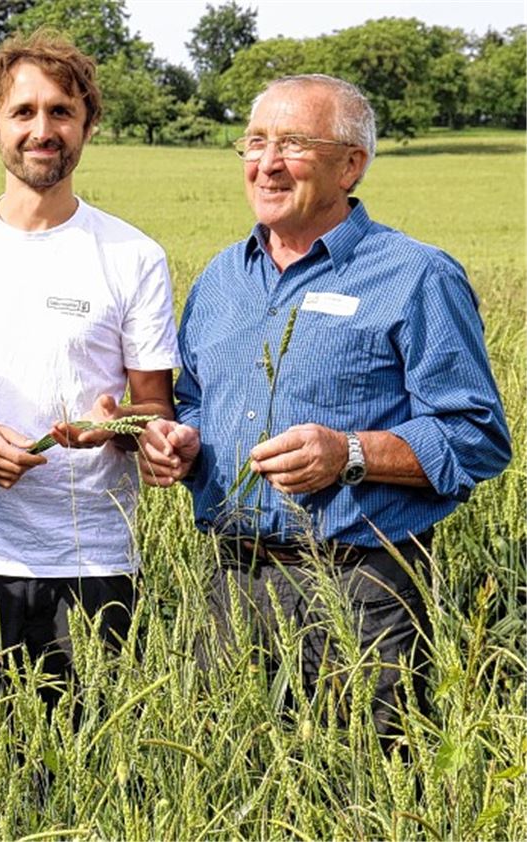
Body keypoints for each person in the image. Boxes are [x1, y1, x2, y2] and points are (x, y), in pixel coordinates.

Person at [139, 74, 512, 736]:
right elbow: (194, 402)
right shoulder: (220, 279)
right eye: (255, 142)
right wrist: (184, 443)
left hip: (361, 589)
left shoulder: (416, 275)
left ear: (351, 165)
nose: (268, 163)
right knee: (227, 773)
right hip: (228, 583)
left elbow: (477, 437)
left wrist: (350, 453)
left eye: (293, 143)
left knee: (363, 777)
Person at [0, 32, 181, 686]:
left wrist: (115, 427)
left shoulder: (132, 255)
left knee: (98, 740)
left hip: (97, 562)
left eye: (62, 111)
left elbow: (156, 408)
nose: (43, 129)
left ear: (88, 124)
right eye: (23, 112)